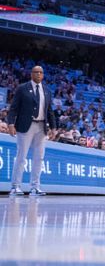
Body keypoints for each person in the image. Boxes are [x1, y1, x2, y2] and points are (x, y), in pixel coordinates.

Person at [6, 65, 57, 196]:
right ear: (31, 74)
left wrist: (54, 127)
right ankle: (15, 186)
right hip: (25, 126)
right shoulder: (22, 88)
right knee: (21, 157)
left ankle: (35, 187)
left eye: (41, 72)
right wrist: (11, 123)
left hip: (41, 127)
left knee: (39, 158)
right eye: (36, 72)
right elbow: (14, 108)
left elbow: (49, 111)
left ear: (43, 75)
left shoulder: (46, 90)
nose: (38, 74)